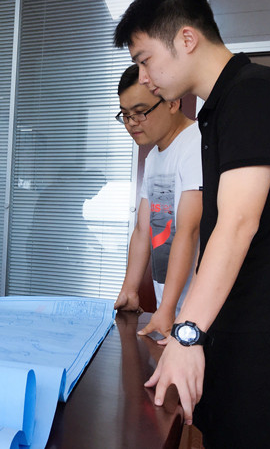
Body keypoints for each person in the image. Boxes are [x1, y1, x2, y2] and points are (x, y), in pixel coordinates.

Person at [114, 0, 270, 447]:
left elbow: (237, 224)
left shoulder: (254, 93)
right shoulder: (220, 109)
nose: (144, 76)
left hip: (268, 339)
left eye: (145, 59)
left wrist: (186, 333)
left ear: (187, 39)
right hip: (235, 331)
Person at [113, 64, 202, 339]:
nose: (131, 123)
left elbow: (189, 231)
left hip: (195, 312)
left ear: (173, 102)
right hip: (171, 307)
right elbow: (143, 230)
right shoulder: (154, 156)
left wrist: (168, 308)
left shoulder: (197, 145)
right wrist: (130, 289)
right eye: (125, 115)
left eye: (140, 112)